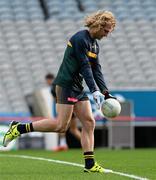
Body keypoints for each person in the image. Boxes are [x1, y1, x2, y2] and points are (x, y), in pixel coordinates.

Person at [3, 10, 116, 173]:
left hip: (78, 87)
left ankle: (90, 165)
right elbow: (85, 66)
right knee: (61, 126)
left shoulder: (94, 44)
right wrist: (94, 90)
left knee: (89, 122)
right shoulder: (80, 39)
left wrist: (105, 93)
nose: (107, 35)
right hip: (66, 85)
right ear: (99, 25)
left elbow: (96, 69)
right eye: (106, 31)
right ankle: (19, 128)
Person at [45, 73, 81, 151]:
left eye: (47, 80)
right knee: (73, 129)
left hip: (65, 107)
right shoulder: (60, 84)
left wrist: (59, 111)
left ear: (49, 80)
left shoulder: (53, 87)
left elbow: (58, 100)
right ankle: (88, 144)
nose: (47, 82)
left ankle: (63, 144)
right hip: (72, 106)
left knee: (61, 126)